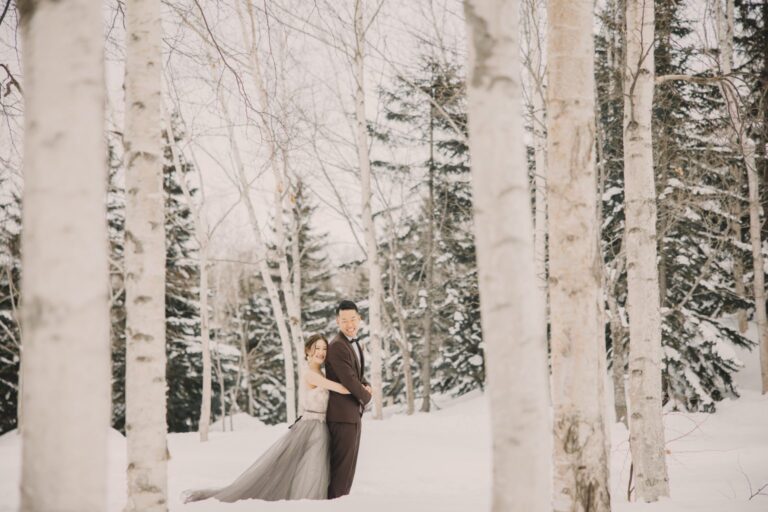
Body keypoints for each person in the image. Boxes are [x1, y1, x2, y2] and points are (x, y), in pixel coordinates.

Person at [181, 334, 349, 503]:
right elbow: (340, 388)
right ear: (307, 350)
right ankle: (307, 503)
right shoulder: (310, 374)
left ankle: (307, 502)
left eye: (324, 348)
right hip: (311, 426)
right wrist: (359, 388)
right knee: (307, 469)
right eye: (317, 348)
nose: (321, 352)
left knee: (309, 468)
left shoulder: (322, 372)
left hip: (319, 427)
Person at [325, 300, 373, 499]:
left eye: (353, 319)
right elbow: (349, 381)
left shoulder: (352, 342)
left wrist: (366, 384)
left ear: (359, 319)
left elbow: (356, 374)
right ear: (338, 321)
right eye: (344, 320)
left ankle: (338, 503)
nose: (350, 324)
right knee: (341, 473)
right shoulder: (337, 345)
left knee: (347, 472)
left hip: (351, 415)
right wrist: (367, 396)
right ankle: (334, 505)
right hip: (342, 417)